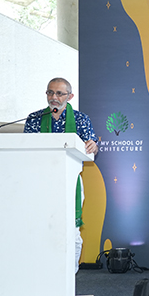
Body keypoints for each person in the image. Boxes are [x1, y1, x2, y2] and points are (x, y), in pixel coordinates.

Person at [24, 77, 99, 273]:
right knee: (42, 228)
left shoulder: (81, 119)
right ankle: (44, 272)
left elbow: (90, 148)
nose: (54, 97)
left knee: (71, 231)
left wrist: (93, 146)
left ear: (70, 96)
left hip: (70, 181)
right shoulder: (34, 118)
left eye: (59, 93)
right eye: (50, 92)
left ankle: (69, 275)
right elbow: (26, 149)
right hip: (40, 181)